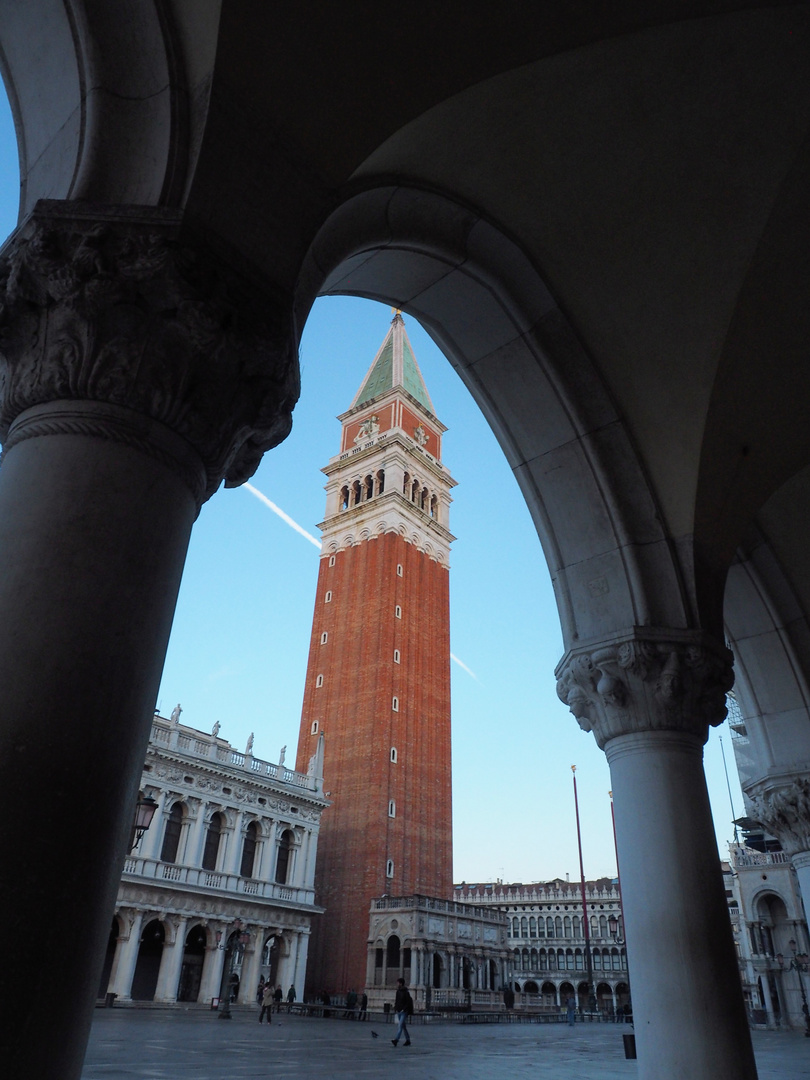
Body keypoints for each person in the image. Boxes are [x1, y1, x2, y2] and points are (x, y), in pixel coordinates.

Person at [391, 978, 413, 1047]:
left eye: (398, 983)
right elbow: (397, 1000)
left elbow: (408, 1002)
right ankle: (408, 1040)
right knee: (403, 1027)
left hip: (404, 1011)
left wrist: (404, 1009)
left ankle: (396, 1040)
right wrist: (396, 1008)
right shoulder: (398, 991)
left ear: (401, 983)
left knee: (400, 1025)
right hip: (399, 1010)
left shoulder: (406, 992)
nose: (397, 984)